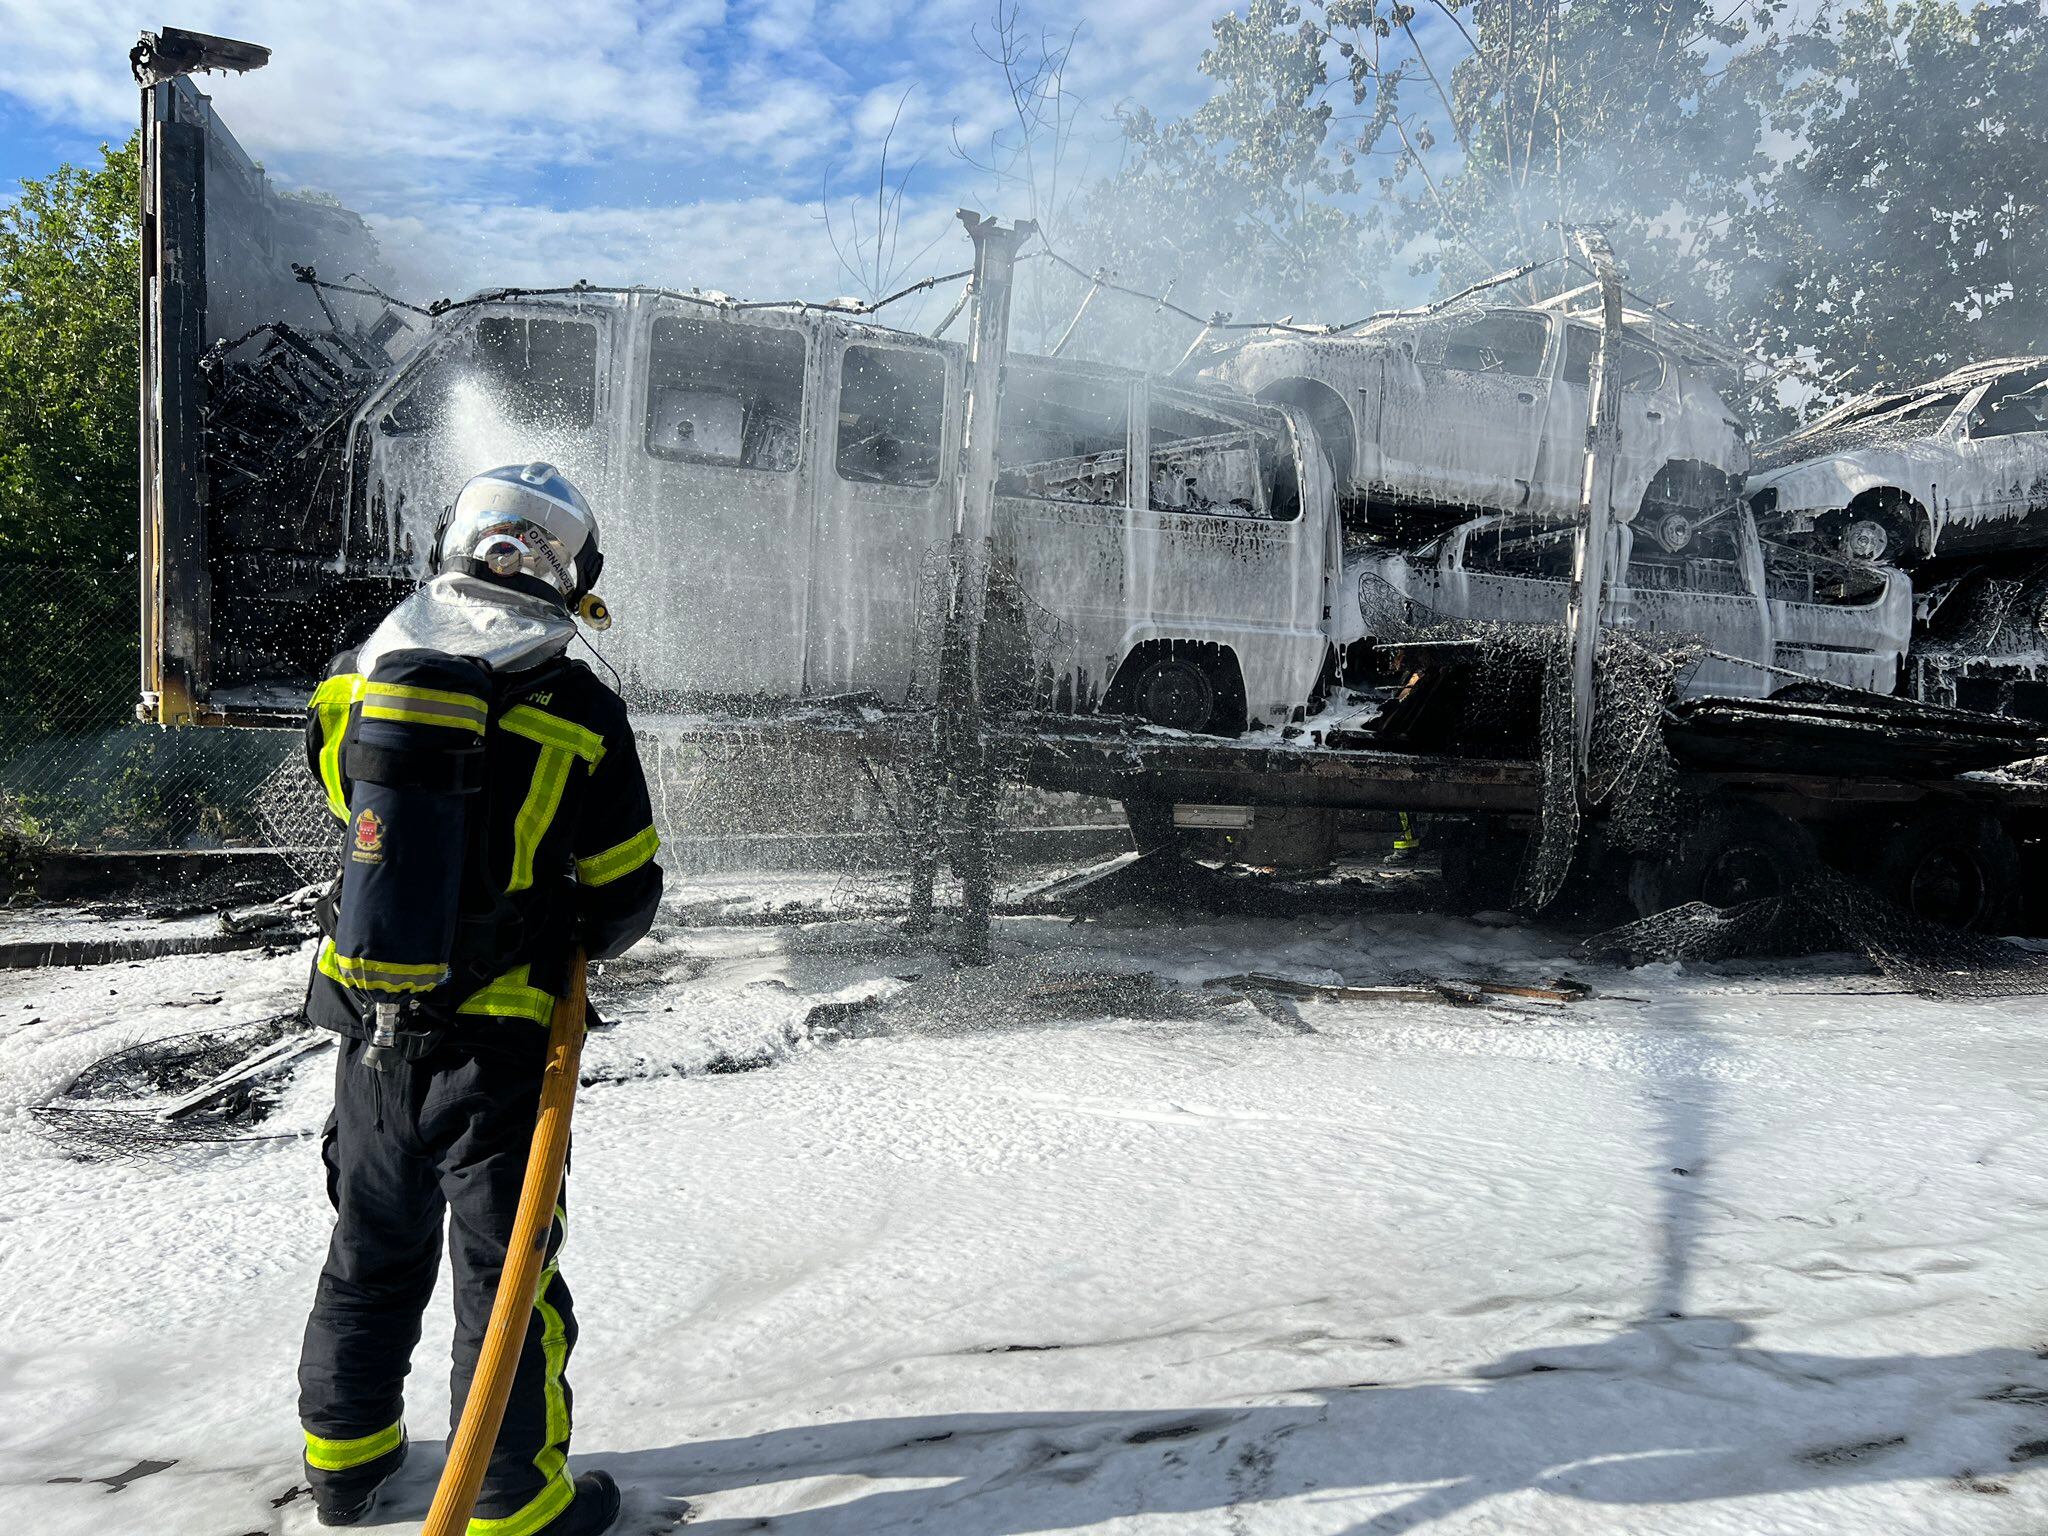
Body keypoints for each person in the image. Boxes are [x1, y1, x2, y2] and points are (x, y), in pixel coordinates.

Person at [295, 463, 662, 1533]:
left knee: (368, 1250)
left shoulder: (368, 671)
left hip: (367, 1026)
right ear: (569, 571)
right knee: (508, 1281)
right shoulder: (579, 704)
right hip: (497, 1051)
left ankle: (343, 1465)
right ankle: (512, 1506)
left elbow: (342, 795)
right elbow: (626, 883)